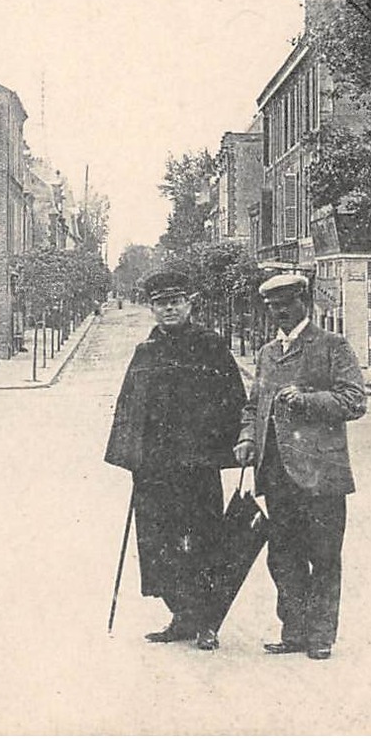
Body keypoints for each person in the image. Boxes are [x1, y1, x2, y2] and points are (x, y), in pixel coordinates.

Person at [105, 269, 247, 650]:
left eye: (176, 301)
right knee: (160, 542)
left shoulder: (211, 346)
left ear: (190, 303)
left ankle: (207, 621)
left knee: (204, 540)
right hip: (155, 468)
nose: (169, 308)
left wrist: (221, 448)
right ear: (152, 307)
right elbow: (127, 408)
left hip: (198, 466)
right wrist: (131, 455)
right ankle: (181, 615)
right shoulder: (146, 352)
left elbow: (234, 399)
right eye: (161, 303)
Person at [234, 272, 366, 661]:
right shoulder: (267, 354)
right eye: (274, 308)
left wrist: (307, 398)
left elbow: (355, 401)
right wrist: (246, 437)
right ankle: (294, 631)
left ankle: (321, 635)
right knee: (283, 556)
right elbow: (252, 405)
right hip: (276, 473)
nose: (281, 314)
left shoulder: (331, 346)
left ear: (304, 303)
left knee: (323, 556)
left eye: (287, 305)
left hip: (322, 474)